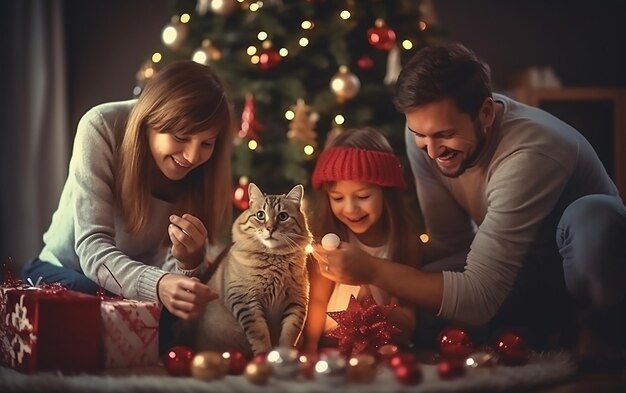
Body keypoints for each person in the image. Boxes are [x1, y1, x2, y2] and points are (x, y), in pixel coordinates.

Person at [313, 42, 626, 364]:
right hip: (512, 271)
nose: (433, 151)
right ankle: (533, 330)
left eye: (444, 134)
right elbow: (452, 245)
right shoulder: (424, 137)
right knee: (409, 306)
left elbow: (478, 298)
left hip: (572, 275)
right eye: (419, 134)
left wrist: (373, 269)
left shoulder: (532, 150)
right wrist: (385, 258)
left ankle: (598, 336)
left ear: (486, 113)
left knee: (592, 215)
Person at [21, 61, 235, 325]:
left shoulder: (205, 168)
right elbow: (92, 249)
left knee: (180, 318)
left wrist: (188, 263)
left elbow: (172, 272)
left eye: (206, 143)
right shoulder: (100, 125)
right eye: (181, 137)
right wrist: (158, 285)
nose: (192, 157)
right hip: (64, 269)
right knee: (94, 306)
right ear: (151, 120)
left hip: (137, 283)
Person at [301, 127, 421, 355]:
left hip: (384, 348)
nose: (350, 208)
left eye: (363, 196)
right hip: (331, 344)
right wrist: (310, 346)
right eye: (337, 198)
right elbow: (317, 298)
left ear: (387, 194)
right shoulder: (332, 241)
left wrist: (375, 308)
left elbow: (407, 319)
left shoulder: (405, 244)